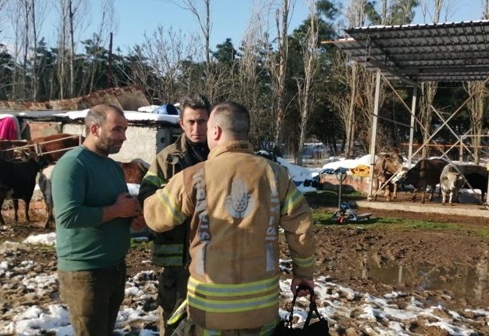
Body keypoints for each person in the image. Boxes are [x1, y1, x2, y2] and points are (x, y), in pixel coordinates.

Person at [143, 101, 316, 335]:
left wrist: (164, 190)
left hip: (209, 311)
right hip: (261, 310)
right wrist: (303, 275)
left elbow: (155, 218)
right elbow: (302, 228)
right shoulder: (276, 175)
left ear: (215, 131)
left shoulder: (194, 176)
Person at [52, 104, 142, 336]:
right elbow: (68, 216)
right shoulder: (73, 164)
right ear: (94, 129)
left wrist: (132, 218)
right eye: (117, 130)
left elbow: (118, 209)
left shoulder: (112, 167)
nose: (123, 136)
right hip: (85, 273)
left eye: (124, 130)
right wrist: (117, 210)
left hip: (114, 268)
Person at [137, 93, 211, 334]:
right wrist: (174, 197)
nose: (196, 127)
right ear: (181, 123)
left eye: (201, 121)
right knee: (174, 317)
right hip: (177, 260)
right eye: (191, 121)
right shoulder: (166, 159)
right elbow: (147, 197)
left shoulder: (221, 157)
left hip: (215, 257)